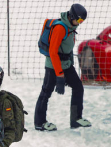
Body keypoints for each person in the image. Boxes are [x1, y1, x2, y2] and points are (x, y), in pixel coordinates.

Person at [34, 3, 91, 131]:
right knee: (46, 92)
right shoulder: (60, 28)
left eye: (82, 20)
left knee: (78, 87)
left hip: (66, 64)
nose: (80, 23)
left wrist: (69, 65)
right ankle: (40, 123)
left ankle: (76, 119)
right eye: (79, 20)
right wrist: (59, 75)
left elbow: (67, 49)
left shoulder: (71, 26)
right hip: (53, 66)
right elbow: (53, 52)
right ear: (71, 16)